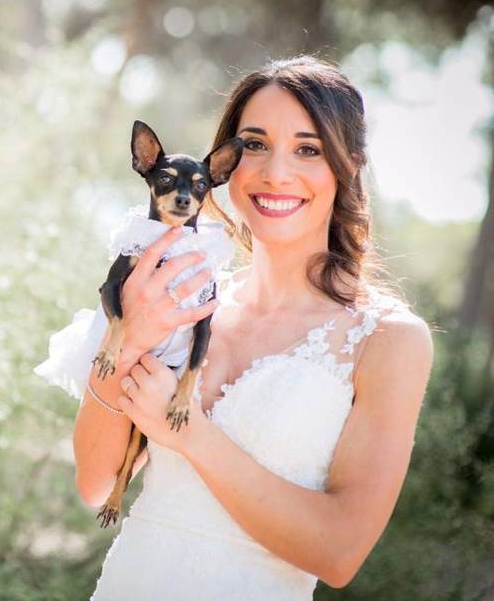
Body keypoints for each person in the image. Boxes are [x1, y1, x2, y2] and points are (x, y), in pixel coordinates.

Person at [74, 56, 434, 599]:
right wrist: (128, 341)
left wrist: (187, 434)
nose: (275, 173)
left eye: (308, 149)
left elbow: (338, 554)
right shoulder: (182, 300)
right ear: (224, 164)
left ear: (348, 165)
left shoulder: (389, 340)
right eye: (256, 145)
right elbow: (93, 483)